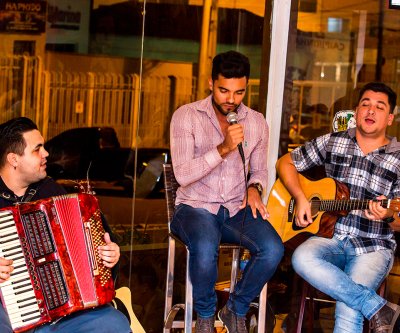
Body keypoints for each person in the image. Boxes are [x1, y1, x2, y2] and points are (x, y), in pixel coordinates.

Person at [169, 50, 284, 333]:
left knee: (273, 249)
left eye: (238, 92)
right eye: (223, 90)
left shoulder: (256, 122)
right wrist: (223, 149)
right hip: (194, 207)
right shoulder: (187, 116)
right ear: (211, 83)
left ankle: (235, 310)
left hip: (235, 209)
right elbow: (182, 175)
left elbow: (259, 171)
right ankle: (206, 316)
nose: (231, 99)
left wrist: (255, 188)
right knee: (205, 247)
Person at [276, 81, 400, 333]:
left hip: (373, 246)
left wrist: (387, 215)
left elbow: (398, 221)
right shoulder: (334, 141)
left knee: (348, 307)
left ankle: (370, 305)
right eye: (365, 104)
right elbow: (285, 163)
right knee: (301, 257)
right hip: (330, 237)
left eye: (379, 107)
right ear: (356, 111)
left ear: (390, 118)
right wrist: (300, 197)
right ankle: (377, 307)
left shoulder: (398, 158)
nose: (370, 111)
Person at [0, 117, 131, 333]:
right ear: (14, 159)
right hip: (6, 310)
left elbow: (101, 241)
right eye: (37, 149)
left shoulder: (51, 192)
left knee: (114, 323)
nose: (46, 154)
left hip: (62, 313)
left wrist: (110, 254)